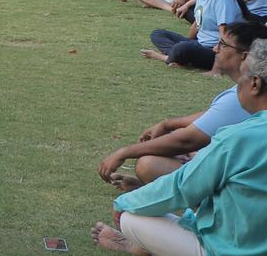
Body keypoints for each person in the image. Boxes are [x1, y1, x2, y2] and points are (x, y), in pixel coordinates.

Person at [94, 45, 267, 256]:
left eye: (242, 77)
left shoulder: (240, 137)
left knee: (131, 218)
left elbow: (182, 187)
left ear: (255, 84)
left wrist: (124, 204)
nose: (237, 85)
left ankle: (147, 247)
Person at [99, 25, 267, 189]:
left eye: (223, 45)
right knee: (171, 143)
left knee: (148, 163)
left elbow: (186, 141)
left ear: (245, 56)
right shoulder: (247, 89)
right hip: (238, 170)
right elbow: (215, 115)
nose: (215, 49)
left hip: (241, 185)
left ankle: (189, 198)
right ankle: (154, 188)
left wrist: (124, 152)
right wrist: (168, 124)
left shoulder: (242, 96)